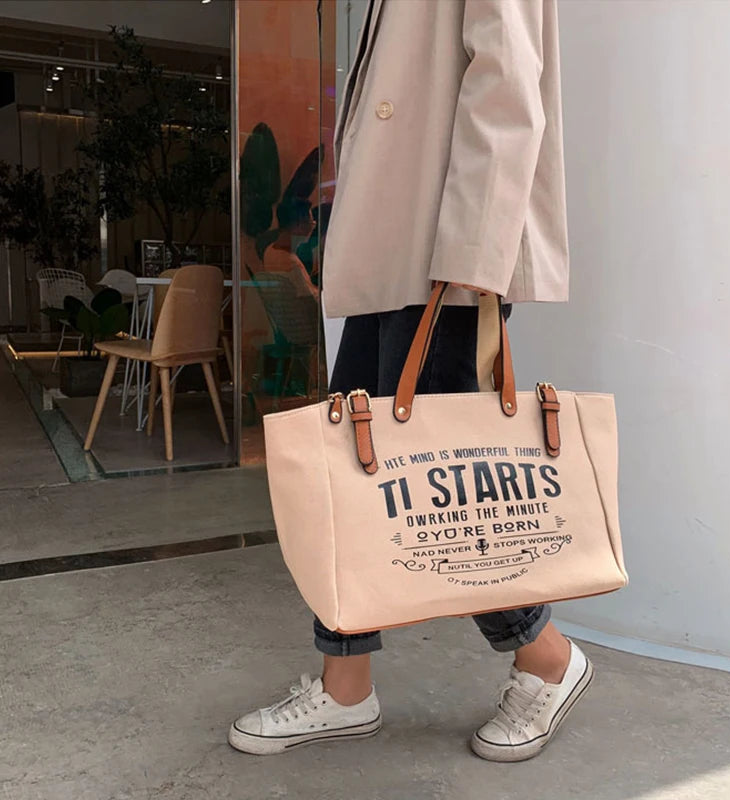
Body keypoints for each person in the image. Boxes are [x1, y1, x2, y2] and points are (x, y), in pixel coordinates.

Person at [229, 0, 584, 762]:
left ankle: (546, 656)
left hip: (443, 258)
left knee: (449, 494)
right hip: (394, 248)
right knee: (349, 475)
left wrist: (474, 251)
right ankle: (345, 685)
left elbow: (507, 79)